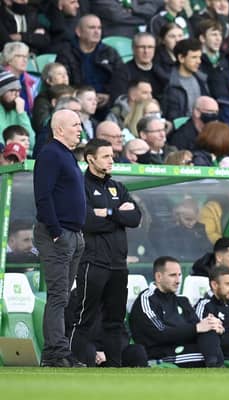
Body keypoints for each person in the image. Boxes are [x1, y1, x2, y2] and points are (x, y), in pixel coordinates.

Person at [69, 138, 142, 367]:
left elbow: (135, 218)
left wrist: (107, 212)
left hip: (118, 265)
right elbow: (87, 222)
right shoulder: (80, 186)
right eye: (106, 156)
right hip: (93, 262)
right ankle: (74, 362)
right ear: (90, 159)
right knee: (84, 318)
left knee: (115, 321)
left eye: (112, 156)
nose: (112, 160)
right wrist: (118, 214)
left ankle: (114, 366)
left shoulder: (117, 187)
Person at [33, 109, 86, 367]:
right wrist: (55, 232)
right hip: (58, 234)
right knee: (58, 294)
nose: (80, 128)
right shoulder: (51, 154)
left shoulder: (66, 155)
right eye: (75, 124)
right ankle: (55, 353)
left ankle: (58, 350)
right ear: (60, 129)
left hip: (73, 234)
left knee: (63, 295)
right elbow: (43, 196)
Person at [129, 256, 225, 367]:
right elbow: (160, 334)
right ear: (158, 277)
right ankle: (216, 369)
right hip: (161, 353)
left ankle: (215, 368)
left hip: (185, 348)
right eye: (173, 275)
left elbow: (198, 329)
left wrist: (214, 327)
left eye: (179, 275)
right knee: (210, 353)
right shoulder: (147, 300)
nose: (178, 280)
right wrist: (197, 328)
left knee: (210, 332)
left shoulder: (182, 301)